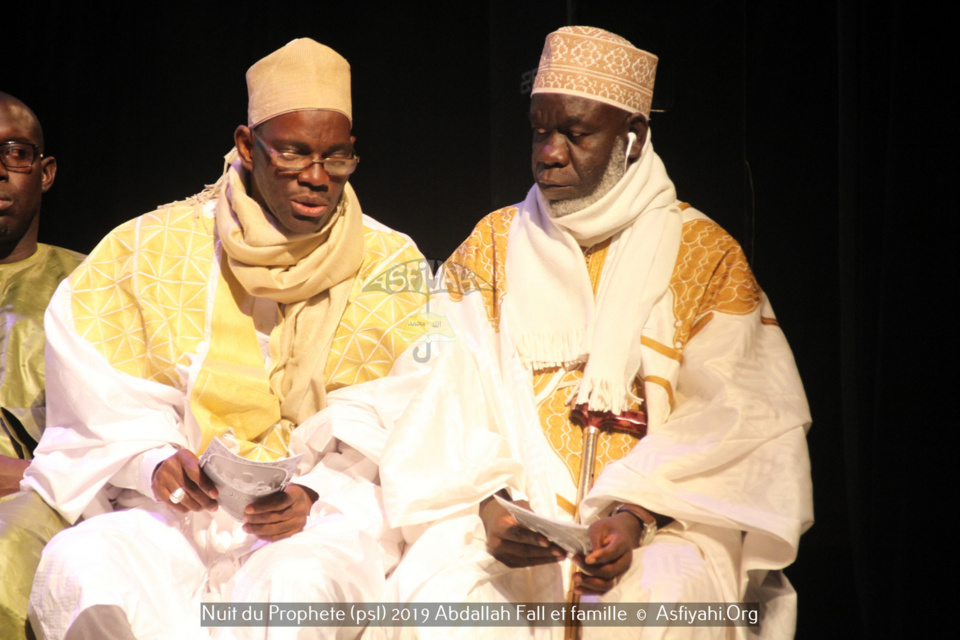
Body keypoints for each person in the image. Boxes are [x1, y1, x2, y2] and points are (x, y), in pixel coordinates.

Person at [338, 26, 813, 639]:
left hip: (663, 523)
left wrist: (635, 513)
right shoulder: (491, 246)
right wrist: (490, 503)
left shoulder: (703, 254)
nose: (550, 153)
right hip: (508, 517)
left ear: (632, 137)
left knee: (658, 603)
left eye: (576, 133)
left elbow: (740, 417)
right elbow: (434, 393)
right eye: (539, 131)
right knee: (449, 603)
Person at [24, 39, 429, 640]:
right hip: (177, 518)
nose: (316, 177)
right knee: (83, 563)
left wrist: (316, 492)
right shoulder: (147, 248)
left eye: (336, 158)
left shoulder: (392, 263)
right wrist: (151, 462)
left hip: (316, 520)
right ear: (246, 145)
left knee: (297, 587)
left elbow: (418, 408)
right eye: (293, 153)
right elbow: (94, 392)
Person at [0, 92, 84, 640]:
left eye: (14, 152)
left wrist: (33, 473)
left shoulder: (90, 286)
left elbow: (120, 429)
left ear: (45, 172)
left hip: (38, 497)